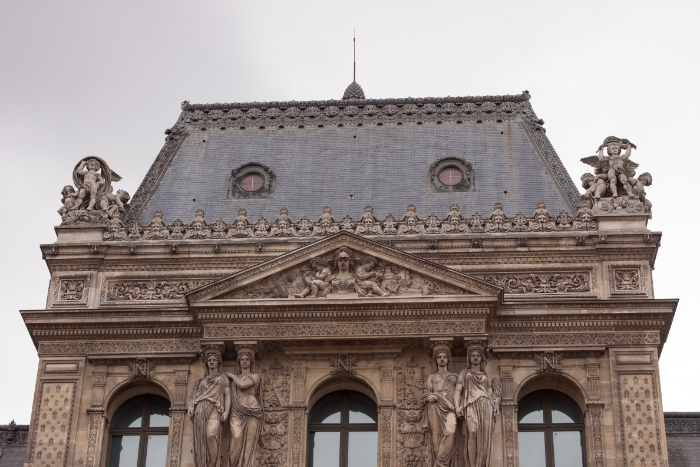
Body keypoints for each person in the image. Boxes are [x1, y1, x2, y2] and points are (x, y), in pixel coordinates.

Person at [454, 344, 500, 467]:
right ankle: (472, 464)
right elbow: (458, 391)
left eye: (478, 356)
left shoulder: (485, 375)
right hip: (470, 404)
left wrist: (495, 402)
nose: (475, 358)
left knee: (484, 436)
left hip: (486, 404)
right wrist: (457, 407)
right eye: (473, 356)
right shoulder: (464, 373)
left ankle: (481, 463)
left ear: (481, 358)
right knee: (473, 432)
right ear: (469, 359)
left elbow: (489, 391)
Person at [188, 349, 231, 467]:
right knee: (201, 440)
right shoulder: (200, 381)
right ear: (206, 363)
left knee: (212, 436)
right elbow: (194, 396)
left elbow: (228, 395)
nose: (211, 362)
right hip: (200, 409)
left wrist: (226, 411)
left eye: (214, 360)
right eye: (209, 360)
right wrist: (191, 407)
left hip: (215, 408)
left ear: (218, 362)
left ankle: (214, 464)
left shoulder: (223, 378)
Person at [421, 344, 458, 467]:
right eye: (439, 357)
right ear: (436, 360)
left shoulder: (455, 376)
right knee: (435, 435)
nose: (442, 359)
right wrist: (429, 397)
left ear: (448, 359)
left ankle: (440, 462)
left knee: (450, 431)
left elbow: (460, 394)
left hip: (449, 407)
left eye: (444, 357)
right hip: (434, 405)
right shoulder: (432, 376)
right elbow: (426, 393)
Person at [226, 347, 263, 467]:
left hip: (252, 409)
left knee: (249, 443)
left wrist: (231, 375)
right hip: (236, 410)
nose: (245, 361)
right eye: (242, 359)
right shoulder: (233, 380)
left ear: (251, 362)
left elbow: (243, 385)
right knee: (235, 441)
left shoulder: (255, 376)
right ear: (239, 362)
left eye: (247, 359)